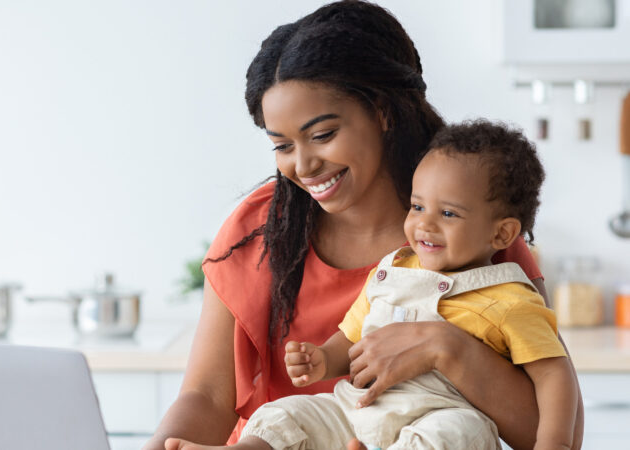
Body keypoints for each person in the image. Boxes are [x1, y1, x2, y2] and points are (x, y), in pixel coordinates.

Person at [144, 2, 584, 449]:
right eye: (281, 145)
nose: (304, 164)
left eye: (322, 135)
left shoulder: (471, 231)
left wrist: (445, 348)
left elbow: (553, 427)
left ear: (382, 111)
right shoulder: (259, 226)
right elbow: (206, 394)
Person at [166, 120, 578, 450]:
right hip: (357, 410)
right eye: (417, 206)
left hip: (434, 417)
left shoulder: (509, 297)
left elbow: (553, 374)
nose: (424, 224)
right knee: (290, 412)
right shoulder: (392, 271)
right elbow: (353, 336)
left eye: (448, 214)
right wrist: (324, 361)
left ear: (503, 234)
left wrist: (554, 443)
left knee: (459, 433)